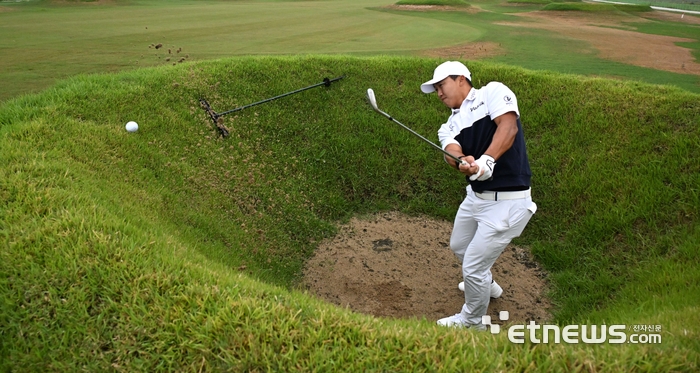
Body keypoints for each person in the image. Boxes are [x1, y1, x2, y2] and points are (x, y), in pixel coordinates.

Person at [420, 61, 537, 329]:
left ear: (461, 79)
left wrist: (487, 161)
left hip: (508, 203)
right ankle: (487, 284)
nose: (438, 93)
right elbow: (451, 150)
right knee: (459, 246)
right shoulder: (448, 125)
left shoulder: (491, 93)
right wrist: (462, 161)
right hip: (476, 198)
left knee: (471, 267)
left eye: (441, 85)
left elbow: (508, 128)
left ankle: (473, 322)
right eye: (435, 89)